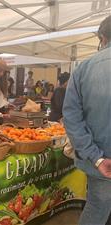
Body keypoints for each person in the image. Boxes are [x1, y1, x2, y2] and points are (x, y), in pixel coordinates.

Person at [63, 15, 111, 225]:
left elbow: (72, 118)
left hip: (102, 163)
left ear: (102, 37)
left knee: (97, 208)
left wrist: (96, 157)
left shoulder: (85, 68)